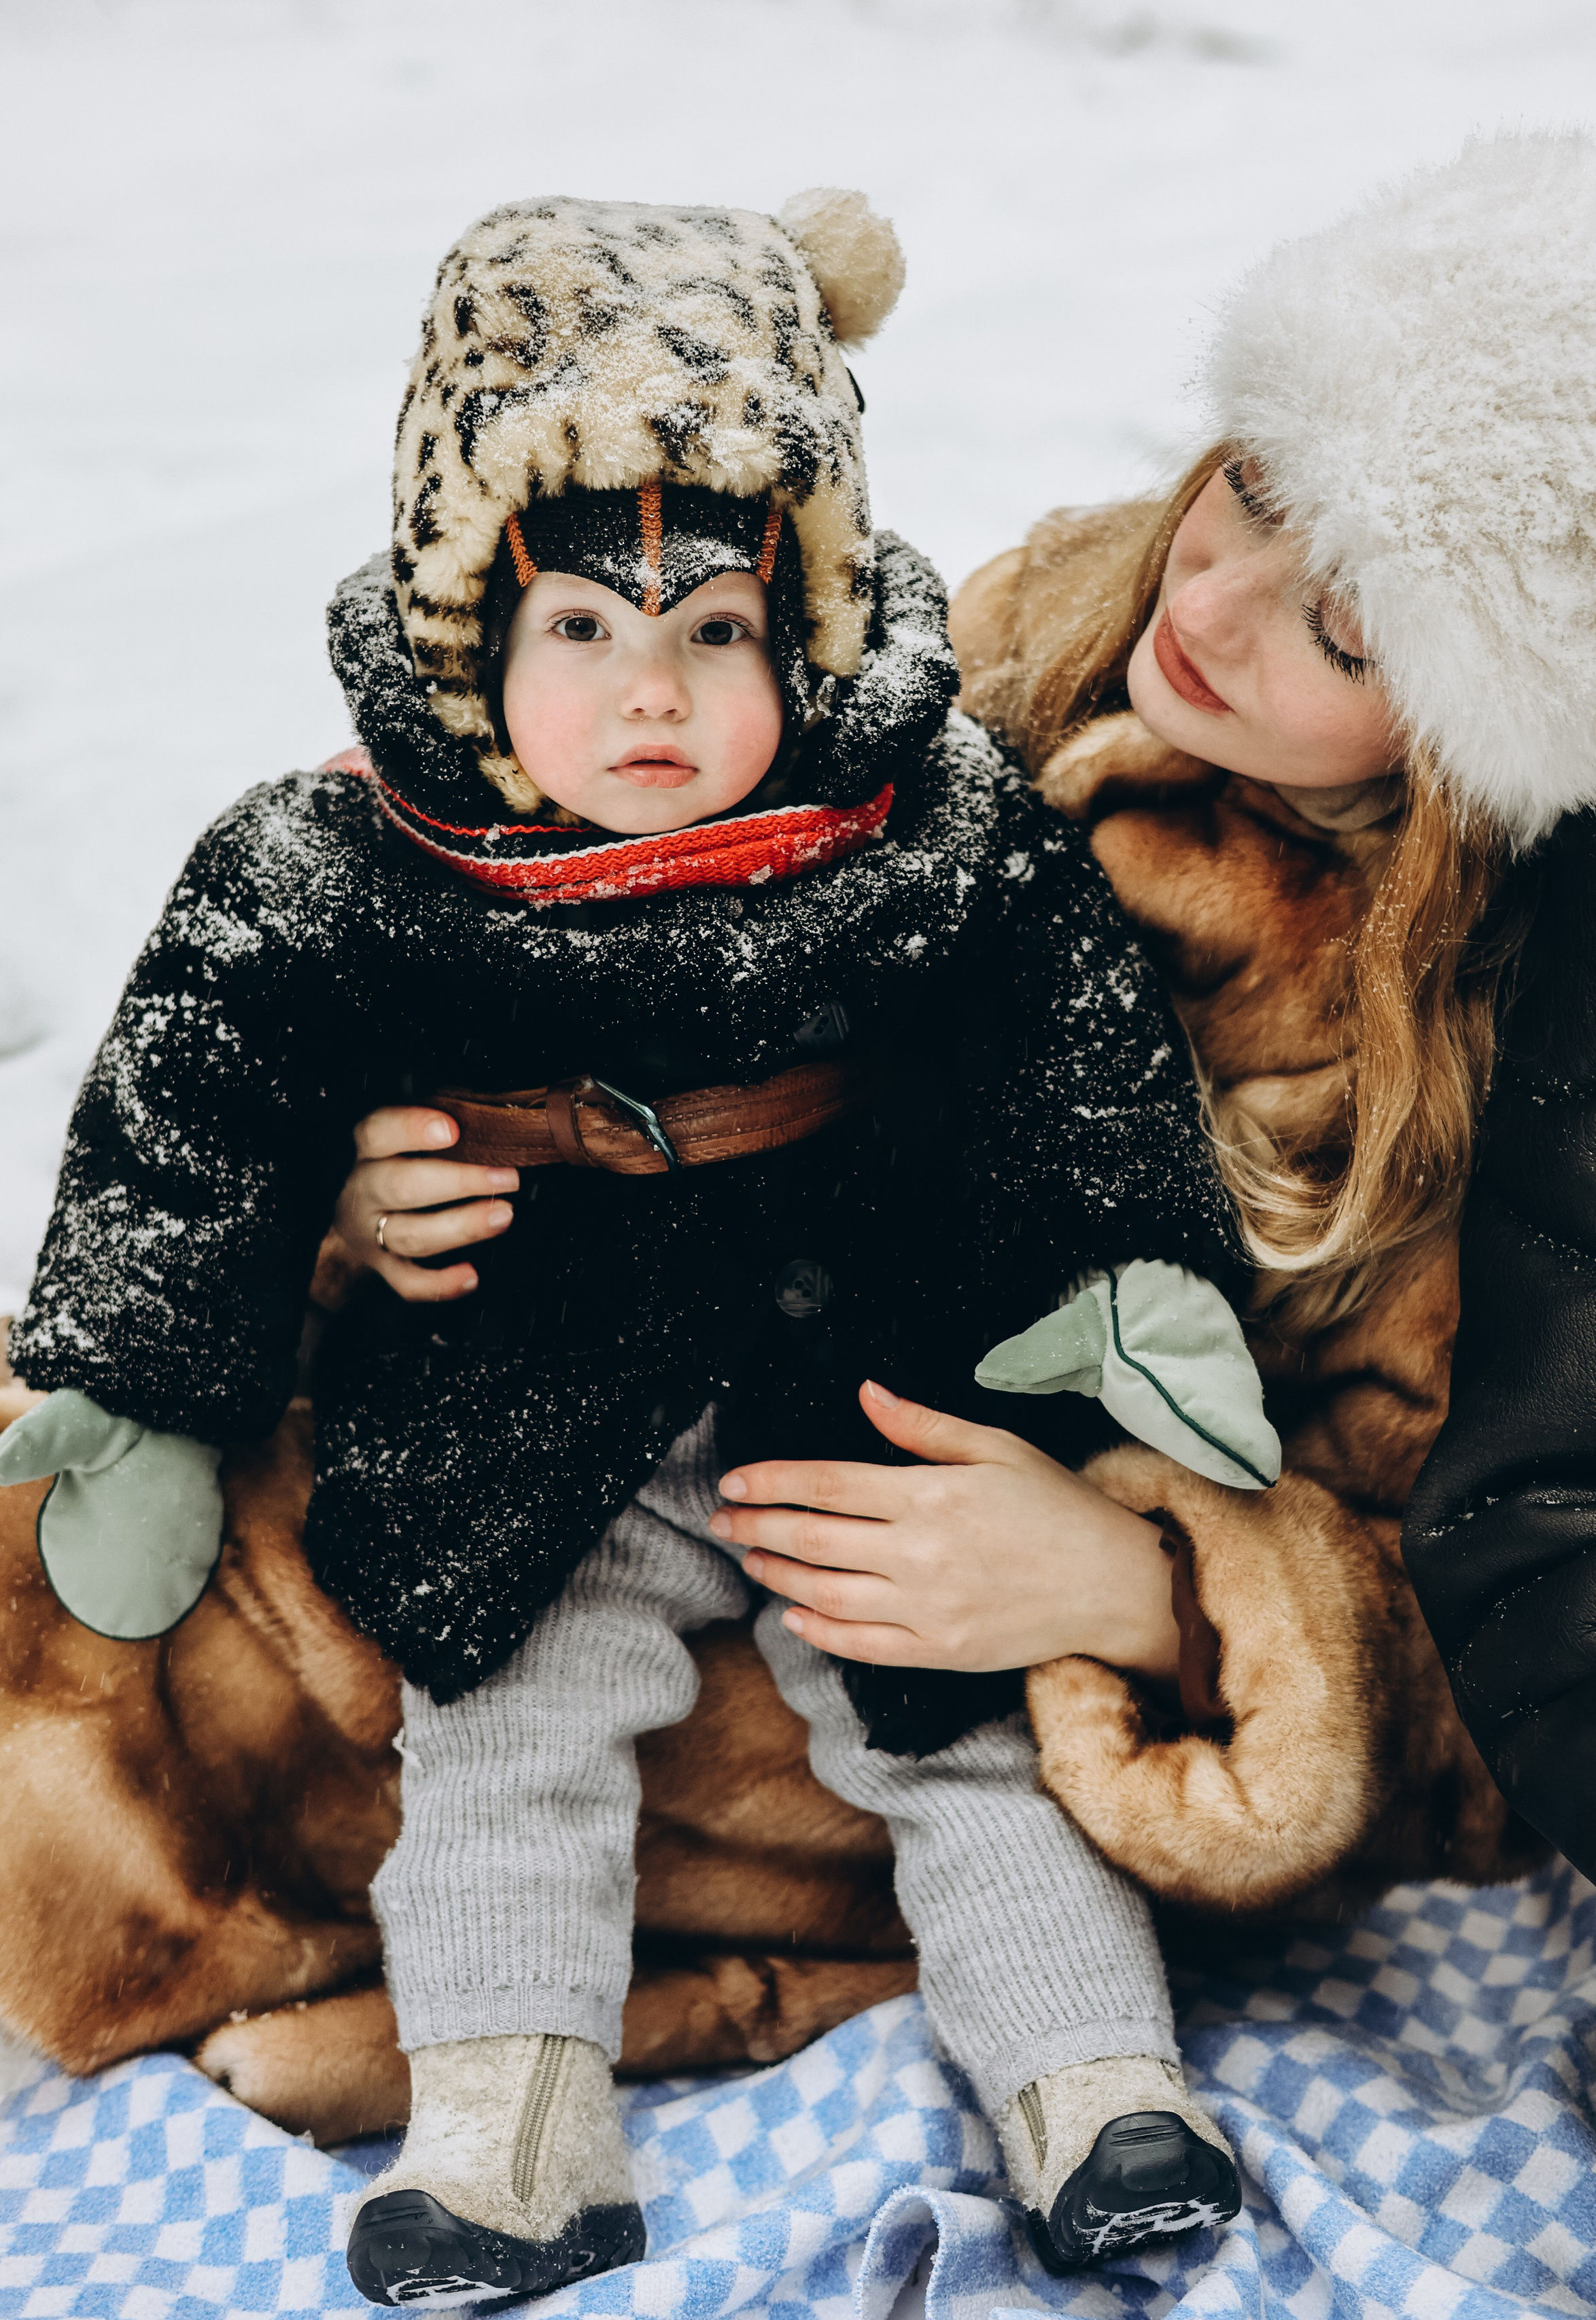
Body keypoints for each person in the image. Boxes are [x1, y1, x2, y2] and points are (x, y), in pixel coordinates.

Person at [341, 131, 1596, 2164]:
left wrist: (1147, 1596)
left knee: (420, 1765)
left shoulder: (1477, 1060)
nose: (1220, 605)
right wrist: (410, 1175)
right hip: (619, 1392)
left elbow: (1494, 1632)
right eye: (1248, 489)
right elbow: (533, 925)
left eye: (1345, 635)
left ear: (1466, 723)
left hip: (947, 1633)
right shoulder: (985, 646)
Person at [0, 189, 1283, 2304]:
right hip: (523, 1382)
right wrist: (146, 1370)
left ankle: (1099, 2088)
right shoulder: (351, 861)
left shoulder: (923, 825)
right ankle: (514, 2128)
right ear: (470, 638)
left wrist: (1118, 1282)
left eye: (713, 628)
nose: (655, 693)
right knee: (499, 1728)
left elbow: (1062, 1032)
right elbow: (198, 1080)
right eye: (583, 629)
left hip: (850, 1368)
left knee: (951, 1718)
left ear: (806, 625)